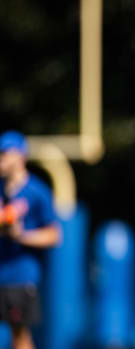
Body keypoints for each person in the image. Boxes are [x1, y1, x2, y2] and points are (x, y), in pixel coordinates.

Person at [0, 130, 61, 349]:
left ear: (20, 156)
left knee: (20, 335)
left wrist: (20, 235)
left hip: (21, 276)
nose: (1, 159)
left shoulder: (37, 191)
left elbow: (54, 235)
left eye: (5, 153)